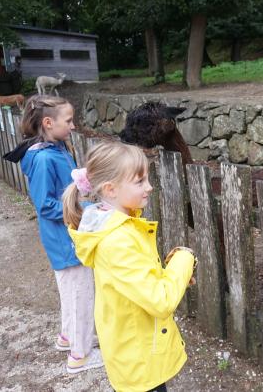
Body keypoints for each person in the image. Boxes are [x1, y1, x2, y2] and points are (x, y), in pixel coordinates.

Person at [62, 141, 197, 392]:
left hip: (132, 347)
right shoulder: (117, 240)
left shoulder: (115, 227)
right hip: (138, 357)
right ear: (111, 189)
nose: (149, 187)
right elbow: (161, 300)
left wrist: (172, 273)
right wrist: (184, 258)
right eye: (140, 181)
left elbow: (141, 281)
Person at [3, 95, 102, 374]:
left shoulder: (56, 148)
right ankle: (79, 356)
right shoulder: (44, 157)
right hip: (66, 241)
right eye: (68, 121)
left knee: (71, 293)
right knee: (82, 296)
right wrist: (85, 208)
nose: (73, 126)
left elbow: (66, 188)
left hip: (67, 236)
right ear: (48, 122)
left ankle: (68, 337)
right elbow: (45, 205)